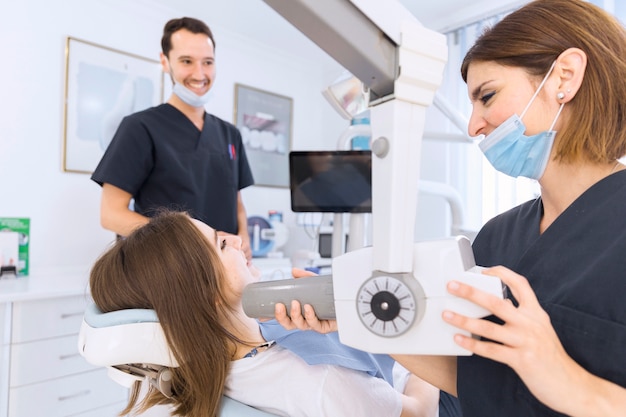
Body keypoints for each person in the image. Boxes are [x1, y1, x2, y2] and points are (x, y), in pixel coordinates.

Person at [273, 1, 626, 416]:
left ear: (564, 77)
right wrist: (361, 325)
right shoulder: (498, 236)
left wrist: (560, 374)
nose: (473, 125)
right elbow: (473, 378)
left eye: (487, 96)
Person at [89, 210, 440, 417]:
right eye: (222, 244)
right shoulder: (319, 381)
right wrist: (416, 337)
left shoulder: (202, 372)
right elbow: (419, 412)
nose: (239, 241)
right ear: (204, 293)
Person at [91, 17, 254, 260]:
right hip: (167, 271)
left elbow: (236, 203)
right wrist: (190, 242)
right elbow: (111, 214)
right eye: (187, 61)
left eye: (207, 62)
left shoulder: (230, 134)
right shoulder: (139, 127)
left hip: (223, 269)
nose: (199, 73)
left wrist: (244, 240)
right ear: (165, 62)